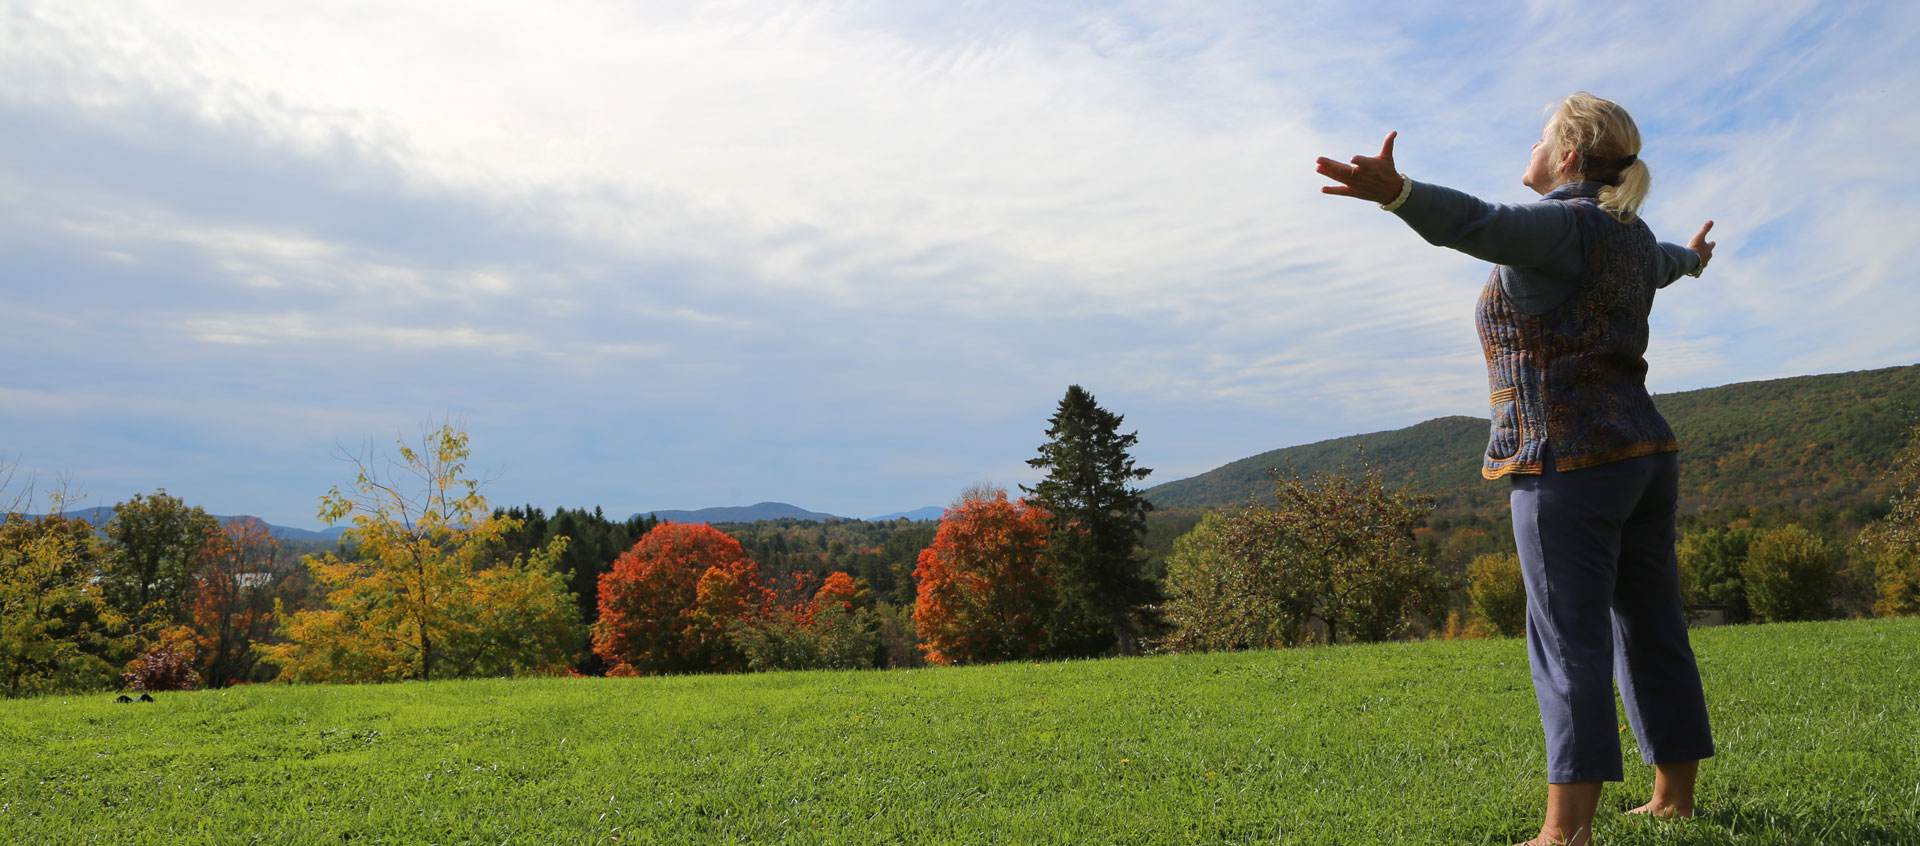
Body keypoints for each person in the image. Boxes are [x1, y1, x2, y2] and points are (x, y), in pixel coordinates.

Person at [1314, 92, 1718, 846]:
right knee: (1653, 627)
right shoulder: (1633, 233)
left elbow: (1478, 223)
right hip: (1645, 456)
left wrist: (1398, 193)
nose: (1528, 150)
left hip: (1568, 462)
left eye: (1540, 138)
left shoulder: (1560, 226)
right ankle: (1674, 798)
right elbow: (1666, 266)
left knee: (1568, 641)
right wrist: (1693, 260)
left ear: (1568, 154)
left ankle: (1564, 832)